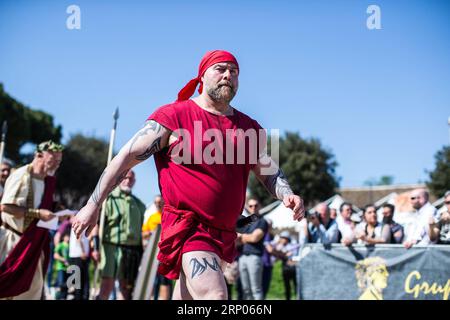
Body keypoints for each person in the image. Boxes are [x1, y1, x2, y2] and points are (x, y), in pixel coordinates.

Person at [72, 49, 305, 300]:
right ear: (202, 77)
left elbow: (268, 171)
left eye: (234, 71)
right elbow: (123, 160)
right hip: (189, 227)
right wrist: (93, 204)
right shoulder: (173, 116)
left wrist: (287, 194)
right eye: (221, 69)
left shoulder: (247, 127)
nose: (228, 75)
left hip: (224, 233)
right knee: (215, 296)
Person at [0, 140, 63, 299]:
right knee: (7, 288)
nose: (56, 165)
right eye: (53, 160)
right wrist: (38, 213)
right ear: (39, 155)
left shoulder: (47, 181)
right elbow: (6, 207)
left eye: (59, 161)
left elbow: (46, 206)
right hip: (13, 243)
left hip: (34, 245)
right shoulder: (22, 175)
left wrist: (60, 212)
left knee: (32, 290)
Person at [96, 170, 146, 300]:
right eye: (125, 178)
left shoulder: (140, 204)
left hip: (132, 250)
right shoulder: (108, 200)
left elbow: (143, 230)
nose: (128, 181)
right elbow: (97, 226)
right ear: (119, 179)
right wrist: (95, 248)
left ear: (134, 181)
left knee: (127, 289)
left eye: (131, 179)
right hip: (111, 247)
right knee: (106, 286)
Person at [236, 198, 268, 300]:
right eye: (250, 206)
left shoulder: (262, 221)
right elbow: (236, 239)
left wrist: (242, 237)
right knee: (246, 290)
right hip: (242, 257)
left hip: (254, 257)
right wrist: (244, 237)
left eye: (256, 205)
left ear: (260, 206)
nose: (253, 208)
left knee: (256, 289)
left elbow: (255, 238)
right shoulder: (245, 221)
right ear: (247, 208)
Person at [268, 231, 298, 300]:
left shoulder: (293, 245)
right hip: (285, 268)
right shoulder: (279, 246)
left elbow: (292, 255)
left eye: (283, 238)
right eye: (281, 238)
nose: (281, 239)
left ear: (287, 239)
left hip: (293, 268)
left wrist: (284, 253)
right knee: (287, 286)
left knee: (296, 285)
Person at [53, 232, 70, 300]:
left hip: (68, 268)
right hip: (61, 267)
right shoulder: (60, 245)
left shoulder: (70, 246)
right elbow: (55, 255)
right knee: (61, 283)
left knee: (67, 285)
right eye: (67, 236)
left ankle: (63, 297)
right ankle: (58, 296)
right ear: (63, 237)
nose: (68, 238)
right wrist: (63, 260)